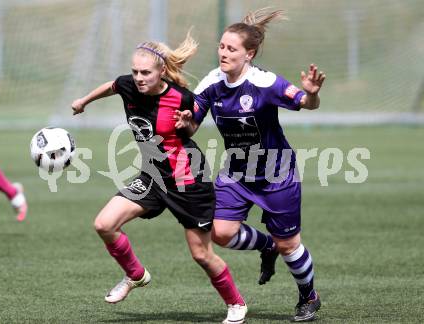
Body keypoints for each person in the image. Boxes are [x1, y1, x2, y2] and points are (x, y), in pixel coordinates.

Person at [71, 31, 247, 324]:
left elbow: (190, 132)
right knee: (104, 224)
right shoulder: (129, 85)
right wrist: (84, 101)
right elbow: (112, 85)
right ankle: (135, 275)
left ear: (161, 72)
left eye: (146, 73)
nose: (139, 78)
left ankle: (236, 303)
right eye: (135, 72)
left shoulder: (180, 98)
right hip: (153, 176)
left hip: (188, 182)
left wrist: (187, 123)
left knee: (202, 255)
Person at [174, 8, 326, 322]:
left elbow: (304, 102)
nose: (223, 53)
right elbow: (191, 126)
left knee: (290, 245)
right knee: (220, 233)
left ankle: (308, 296)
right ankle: (266, 244)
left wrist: (312, 94)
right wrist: (186, 122)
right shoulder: (212, 83)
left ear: (249, 54)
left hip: (276, 173)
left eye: (231, 49)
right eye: (221, 46)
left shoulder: (265, 82)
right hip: (237, 172)